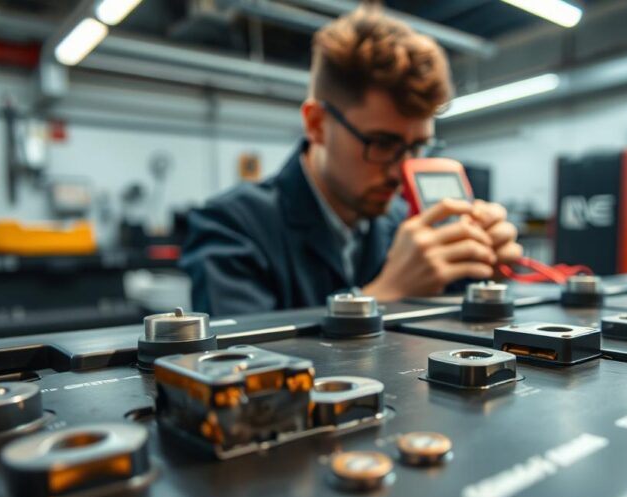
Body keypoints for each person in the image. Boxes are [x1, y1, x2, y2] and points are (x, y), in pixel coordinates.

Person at [181, 6, 522, 315]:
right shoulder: (231, 227)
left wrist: (481, 275)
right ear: (316, 124)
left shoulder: (403, 222)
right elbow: (240, 366)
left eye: (417, 147)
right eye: (382, 143)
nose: (400, 172)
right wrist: (388, 294)